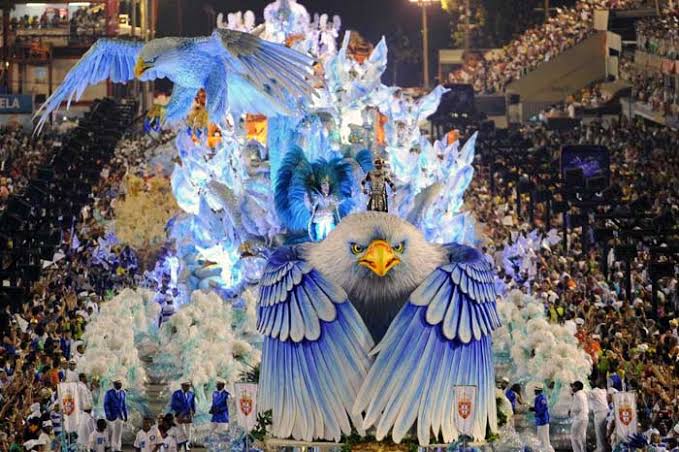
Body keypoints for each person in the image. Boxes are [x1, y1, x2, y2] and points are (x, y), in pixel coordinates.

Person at [103, 379, 128, 452]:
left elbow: (124, 405)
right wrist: (108, 414)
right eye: (117, 384)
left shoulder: (123, 393)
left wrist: (126, 416)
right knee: (112, 432)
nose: (119, 385)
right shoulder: (109, 393)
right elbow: (106, 404)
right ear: (114, 385)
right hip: (111, 416)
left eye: (120, 384)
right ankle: (112, 448)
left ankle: (118, 448)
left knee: (119, 433)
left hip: (120, 416)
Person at [170, 382, 195, 449]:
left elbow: (192, 404)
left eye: (189, 386)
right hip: (179, 415)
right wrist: (181, 412)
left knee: (188, 431)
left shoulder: (191, 394)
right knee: (180, 431)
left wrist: (193, 412)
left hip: (188, 415)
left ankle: (187, 447)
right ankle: (180, 446)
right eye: (186, 386)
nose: (188, 387)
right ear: (182, 386)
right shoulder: (177, 393)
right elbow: (174, 404)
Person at [530, 383, 554, 452]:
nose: (534, 391)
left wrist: (536, 412)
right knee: (540, 439)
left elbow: (544, 408)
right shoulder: (538, 398)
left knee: (545, 440)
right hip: (540, 422)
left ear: (537, 390)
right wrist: (533, 409)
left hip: (543, 421)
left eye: (535, 390)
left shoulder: (542, 398)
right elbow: (539, 408)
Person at [589, 381, 610, 452]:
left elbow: (586, 394)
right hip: (606, 412)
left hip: (599, 414)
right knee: (605, 431)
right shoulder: (604, 391)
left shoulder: (594, 391)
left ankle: (601, 448)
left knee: (599, 432)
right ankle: (606, 447)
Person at [570, 380, 590, 452]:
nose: (572, 388)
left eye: (574, 386)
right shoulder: (583, 393)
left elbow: (578, 408)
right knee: (582, 437)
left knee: (574, 437)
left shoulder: (577, 395)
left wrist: (571, 411)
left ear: (577, 387)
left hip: (579, 418)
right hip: (585, 418)